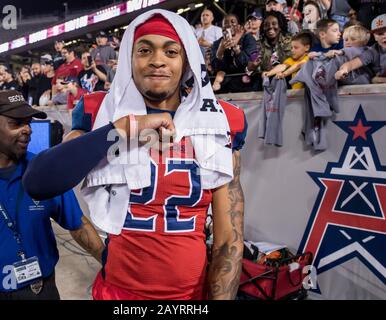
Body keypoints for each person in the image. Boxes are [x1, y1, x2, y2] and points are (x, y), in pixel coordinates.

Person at [23, 9, 246, 300]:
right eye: (144, 50)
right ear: (129, 58)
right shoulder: (100, 113)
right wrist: (123, 129)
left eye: (171, 51)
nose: (157, 60)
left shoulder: (219, 121)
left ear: (187, 60)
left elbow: (228, 239)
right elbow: (38, 182)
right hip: (117, 294)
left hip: (188, 297)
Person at [0, 90, 104, 300]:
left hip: (39, 292)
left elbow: (78, 225)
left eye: (28, 123)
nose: (27, 130)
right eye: (16, 123)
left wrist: (110, 267)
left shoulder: (45, 171)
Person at [211, 14, 258, 92]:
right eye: (226, 23)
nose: (229, 24)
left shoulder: (248, 39)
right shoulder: (217, 44)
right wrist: (220, 51)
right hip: (223, 88)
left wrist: (237, 50)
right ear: (222, 27)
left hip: (245, 86)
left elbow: (248, 64)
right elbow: (215, 68)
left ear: (238, 25)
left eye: (233, 22)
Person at [335, 14, 386, 84]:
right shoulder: (373, 51)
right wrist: (343, 70)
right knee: (374, 80)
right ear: (375, 37)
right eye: (380, 34)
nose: (385, 36)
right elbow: (351, 64)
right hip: (381, 82)